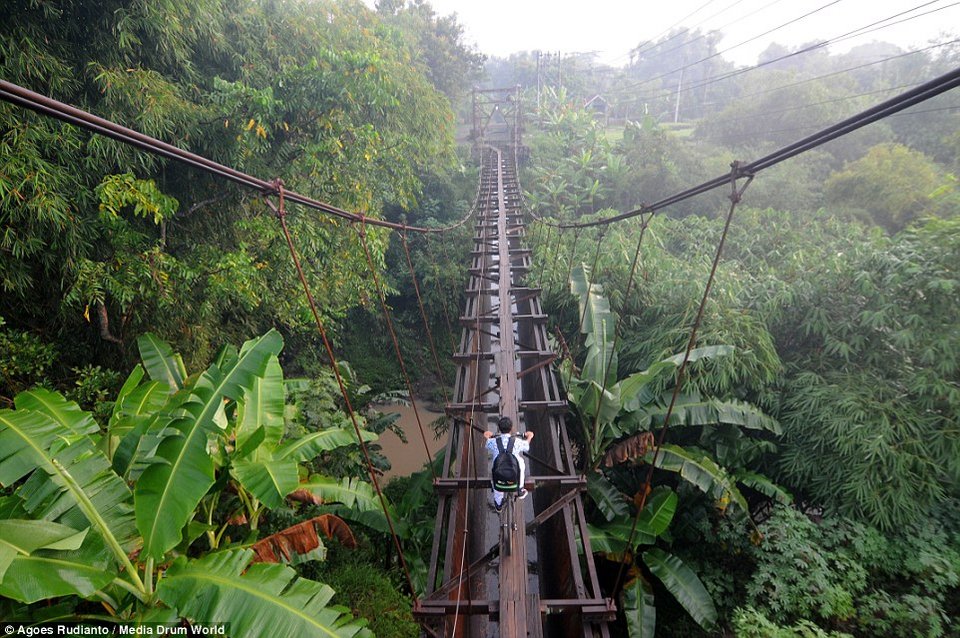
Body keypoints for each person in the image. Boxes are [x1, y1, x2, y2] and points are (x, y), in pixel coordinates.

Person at [483, 416, 534, 511]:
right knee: (521, 462)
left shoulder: (494, 442)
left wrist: (488, 435)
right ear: (511, 429)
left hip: (499, 480)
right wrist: (529, 436)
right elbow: (526, 446)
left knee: (494, 466)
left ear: (499, 429)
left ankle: (498, 504)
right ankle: (520, 489)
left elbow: (486, 440)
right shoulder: (517, 441)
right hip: (513, 476)